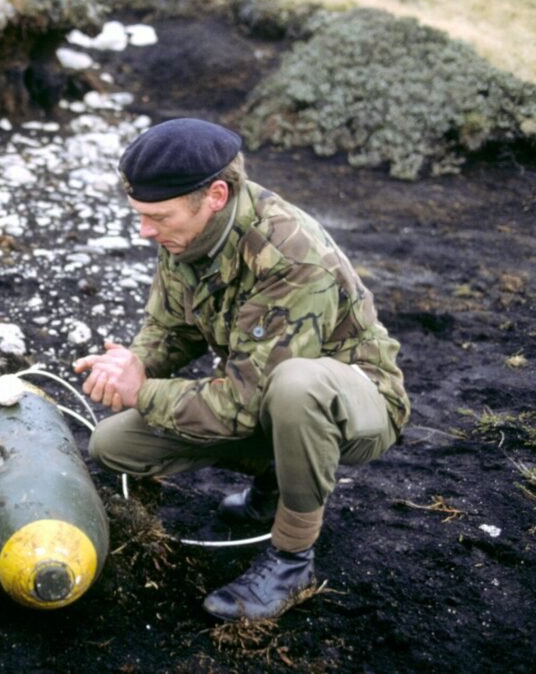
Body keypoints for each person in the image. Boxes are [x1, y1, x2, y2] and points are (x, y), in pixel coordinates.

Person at [73, 118, 410, 621]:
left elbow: (245, 404)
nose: (145, 231)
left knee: (296, 387)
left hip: (357, 406)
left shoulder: (291, 256)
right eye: (141, 216)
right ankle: (277, 481)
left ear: (215, 195)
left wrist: (143, 391)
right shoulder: (188, 236)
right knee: (113, 444)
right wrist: (133, 363)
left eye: (157, 217)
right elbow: (171, 325)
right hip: (261, 400)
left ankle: (293, 559)